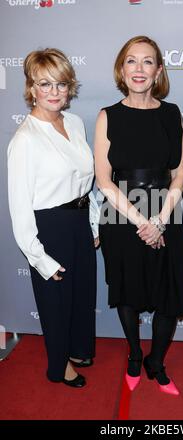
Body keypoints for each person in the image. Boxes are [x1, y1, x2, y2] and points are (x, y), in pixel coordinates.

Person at [95, 36, 183, 396]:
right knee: (128, 291)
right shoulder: (108, 116)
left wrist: (161, 220)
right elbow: (103, 179)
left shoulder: (171, 113)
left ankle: (157, 361)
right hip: (122, 213)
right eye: (131, 61)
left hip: (166, 208)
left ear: (158, 71)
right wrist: (141, 222)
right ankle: (135, 355)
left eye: (147, 62)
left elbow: (180, 173)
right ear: (122, 70)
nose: (139, 69)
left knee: (169, 291)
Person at [7, 48, 100, 388]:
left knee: (81, 294)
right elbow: (20, 209)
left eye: (61, 84)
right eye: (44, 84)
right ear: (31, 88)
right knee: (55, 302)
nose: (54, 92)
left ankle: (77, 348)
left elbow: (83, 183)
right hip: (48, 229)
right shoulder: (25, 140)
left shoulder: (74, 123)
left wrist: (91, 223)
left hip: (77, 222)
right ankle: (58, 366)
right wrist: (40, 259)